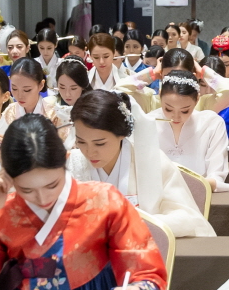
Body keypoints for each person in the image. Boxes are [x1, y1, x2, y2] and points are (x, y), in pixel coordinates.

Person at [0, 114, 166, 290]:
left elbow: (146, 272)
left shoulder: (104, 200)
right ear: (9, 177)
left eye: (52, 185)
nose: (43, 198)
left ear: (66, 159)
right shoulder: (4, 211)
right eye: (27, 190)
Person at [68, 90, 213, 239]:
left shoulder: (152, 161)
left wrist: (132, 223)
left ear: (121, 134)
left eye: (100, 143)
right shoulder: (69, 164)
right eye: (81, 142)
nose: (90, 152)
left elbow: (187, 219)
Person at [152, 70, 229, 192]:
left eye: (184, 111)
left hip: (200, 196)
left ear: (197, 99)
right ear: (160, 94)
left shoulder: (211, 123)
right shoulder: (147, 122)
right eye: (168, 109)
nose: (176, 117)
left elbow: (216, 176)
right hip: (156, 195)